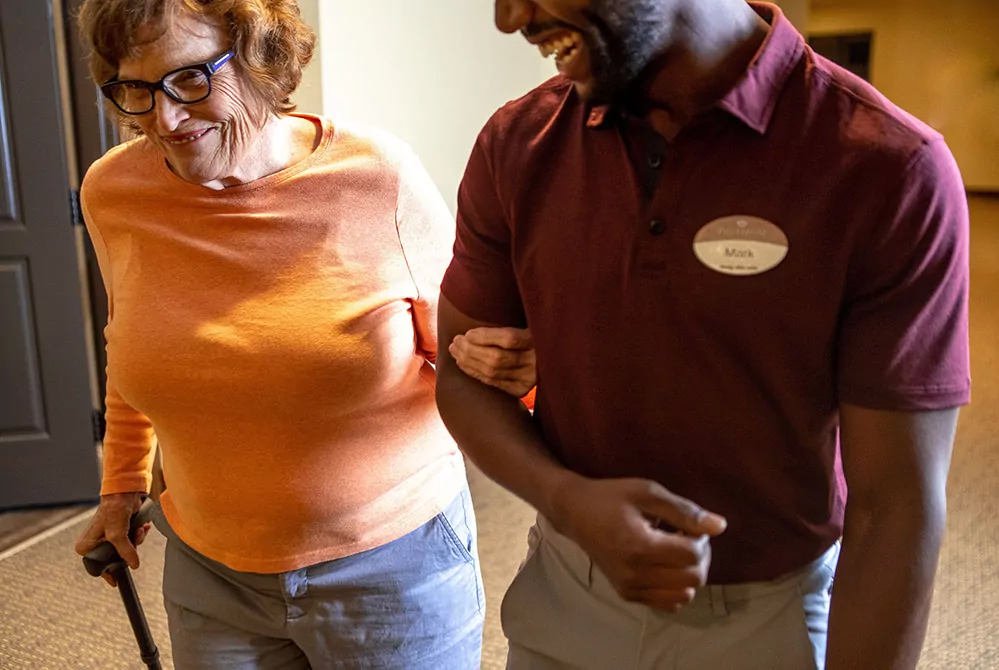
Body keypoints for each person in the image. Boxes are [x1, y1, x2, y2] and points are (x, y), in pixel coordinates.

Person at [438, 1, 970, 668]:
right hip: (561, 592)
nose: (510, 17)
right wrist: (565, 500)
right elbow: (460, 376)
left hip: (766, 616)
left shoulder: (888, 169)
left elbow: (894, 509)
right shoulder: (517, 142)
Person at [72, 1, 529, 667]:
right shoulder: (112, 194)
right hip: (209, 572)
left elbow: (480, 359)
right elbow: (133, 345)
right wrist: (120, 486)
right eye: (133, 89)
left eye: (189, 80)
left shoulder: (377, 179)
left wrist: (582, 472)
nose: (162, 118)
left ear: (259, 57)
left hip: (391, 571)